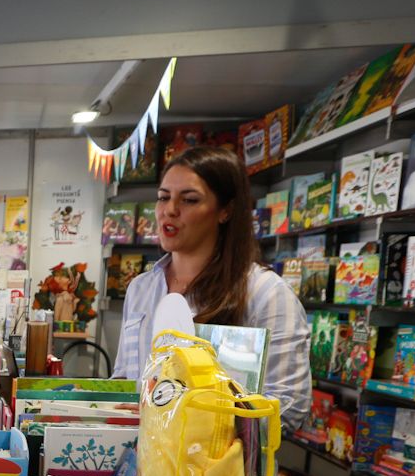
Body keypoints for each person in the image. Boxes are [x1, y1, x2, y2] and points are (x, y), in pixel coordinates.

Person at [112, 144, 310, 417]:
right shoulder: (141, 288)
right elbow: (125, 379)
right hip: (143, 458)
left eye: (189, 200)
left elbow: (289, 406)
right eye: (163, 197)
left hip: (219, 459)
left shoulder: (266, 293)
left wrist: (184, 418)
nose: (170, 210)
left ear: (225, 211)